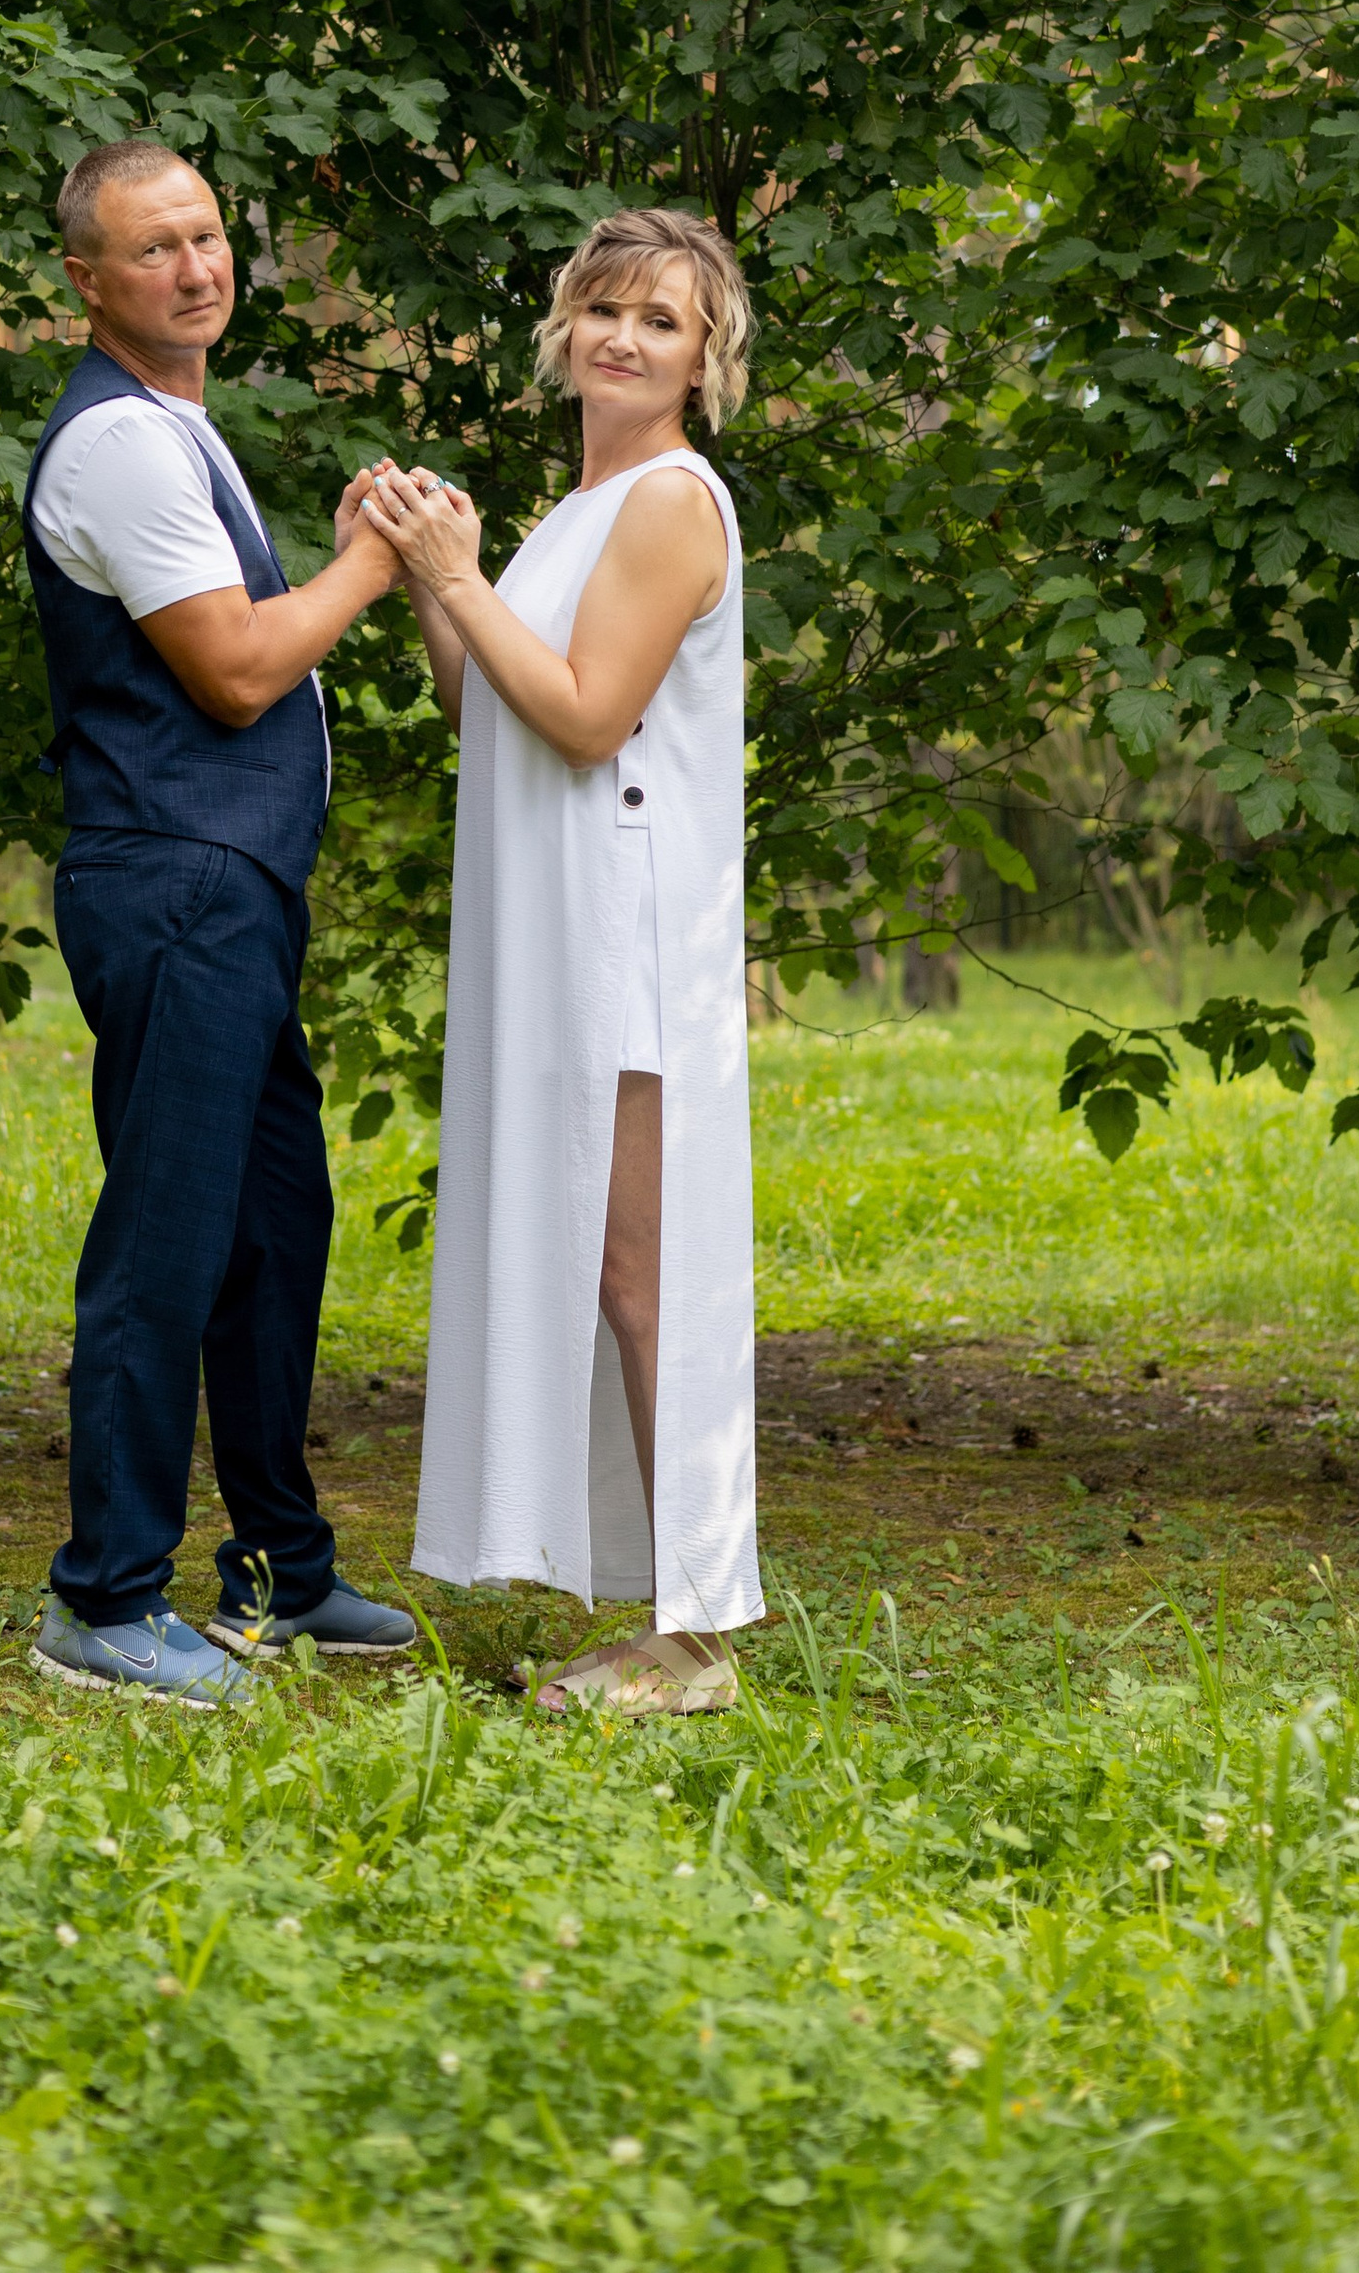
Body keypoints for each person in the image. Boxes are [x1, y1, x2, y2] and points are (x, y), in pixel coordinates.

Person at [22, 139, 420, 1705]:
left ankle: (280, 1573)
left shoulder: (178, 428)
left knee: (271, 1230)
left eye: (206, 235)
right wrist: (373, 561)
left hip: (230, 891)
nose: (196, 266)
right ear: (87, 284)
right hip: (176, 883)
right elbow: (242, 671)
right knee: (168, 1246)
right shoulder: (119, 443)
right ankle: (104, 1603)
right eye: (153, 248)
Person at [363, 206, 759, 1716]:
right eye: (603, 309)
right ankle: (649, 1605)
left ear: (703, 358)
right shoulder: (574, 509)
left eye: (661, 320)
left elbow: (592, 718)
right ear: (564, 330)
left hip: (627, 928)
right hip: (555, 921)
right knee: (602, 1266)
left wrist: (463, 580)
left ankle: (696, 1636)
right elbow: (494, 718)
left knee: (646, 1277)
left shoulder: (669, 501)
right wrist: (428, 579)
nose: (623, 337)